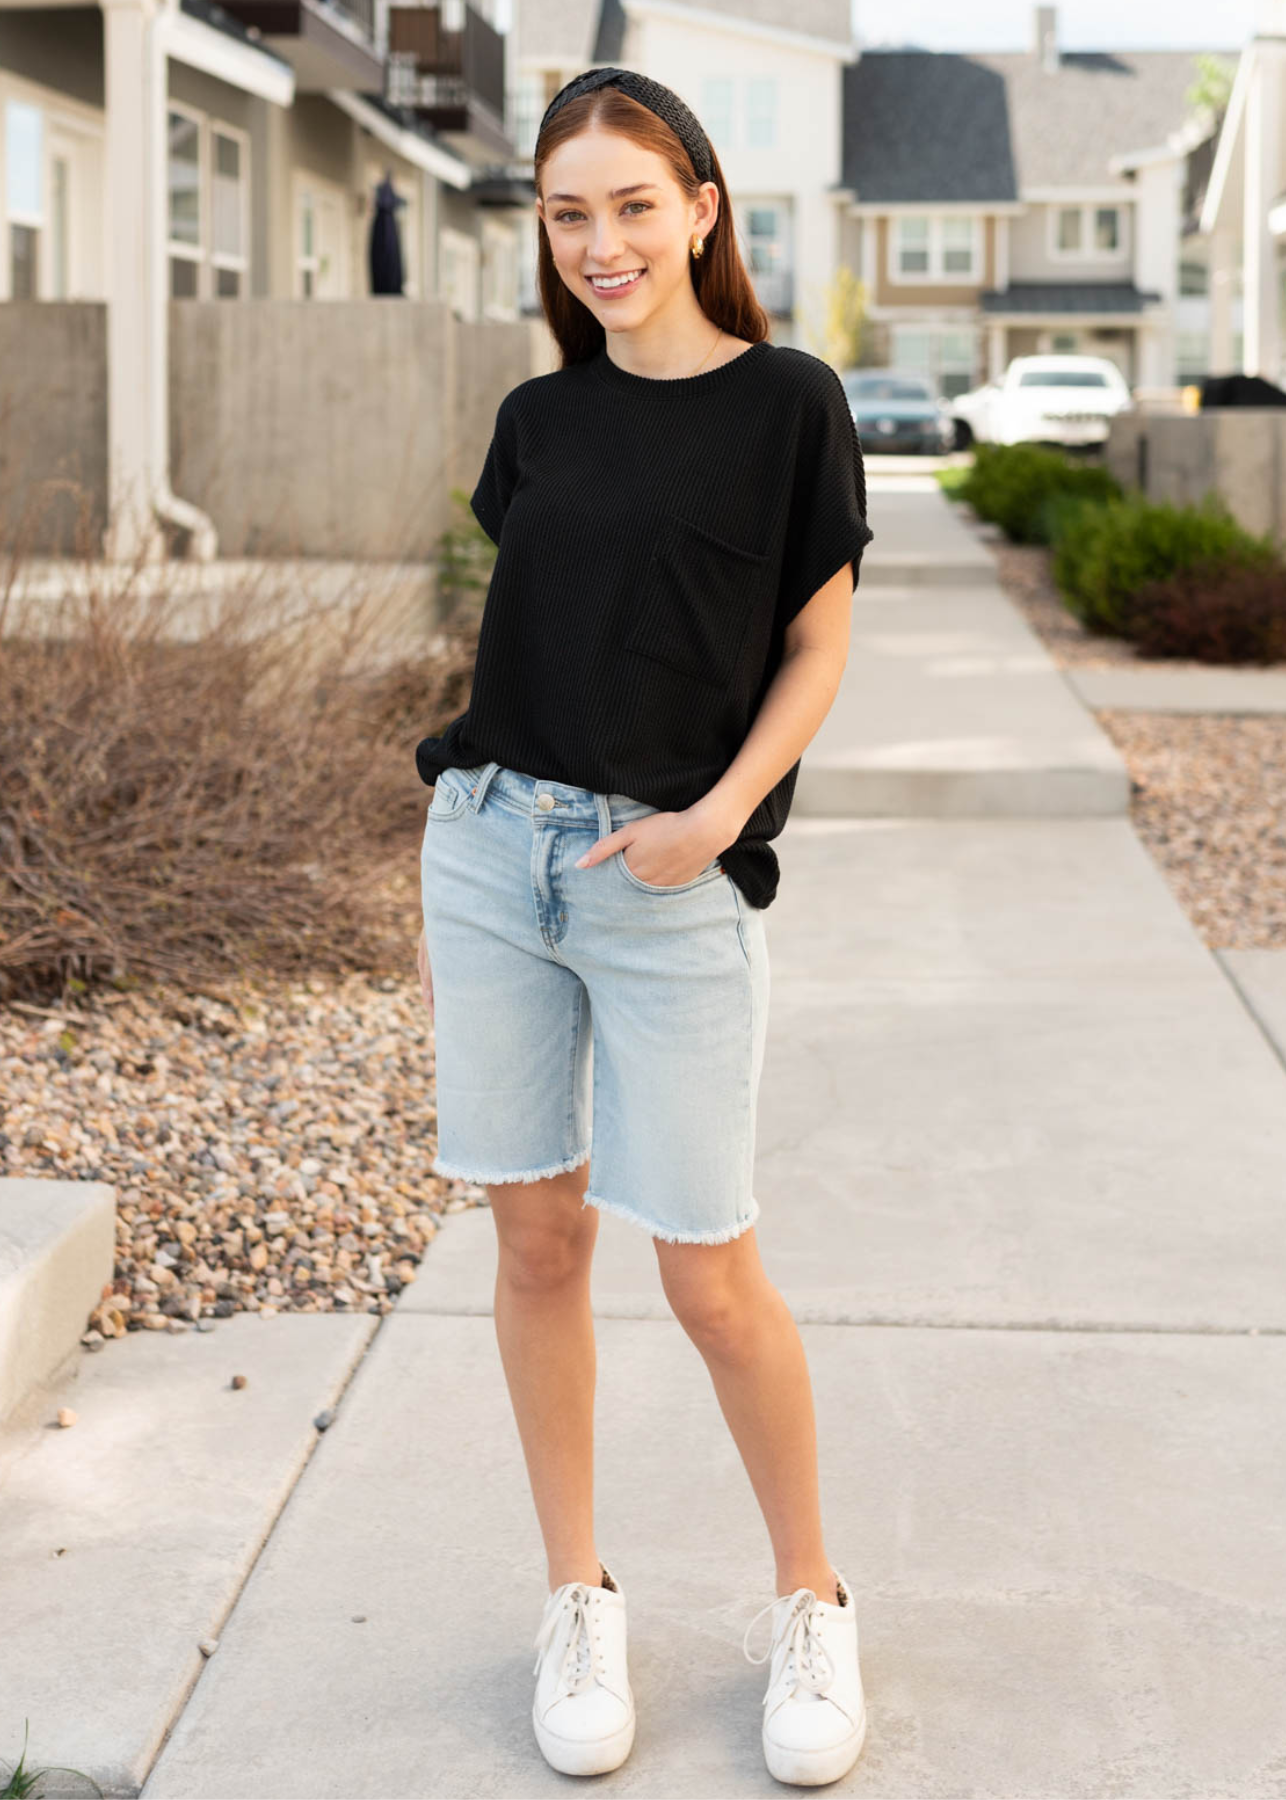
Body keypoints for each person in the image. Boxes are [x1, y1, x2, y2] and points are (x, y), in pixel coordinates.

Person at [414, 66, 874, 1790]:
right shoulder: (539, 419)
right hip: (491, 852)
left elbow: (814, 649)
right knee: (535, 1249)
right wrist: (483, 827)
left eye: (629, 204)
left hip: (670, 874)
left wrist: (717, 816)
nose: (599, 242)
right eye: (565, 212)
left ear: (699, 210)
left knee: (709, 1268)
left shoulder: (787, 405)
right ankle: (577, 1596)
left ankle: (811, 1600)